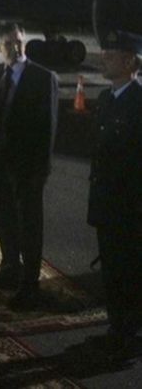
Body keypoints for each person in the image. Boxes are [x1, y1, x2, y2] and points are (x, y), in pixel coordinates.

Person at [0, 23, 58, 310]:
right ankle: (10, 269)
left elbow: (48, 128)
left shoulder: (42, 78)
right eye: (9, 44)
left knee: (29, 224)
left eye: (19, 42)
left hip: (27, 167)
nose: (17, 48)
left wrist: (42, 169)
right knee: (6, 218)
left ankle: (30, 284)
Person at [87, 29, 142, 359]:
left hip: (130, 207)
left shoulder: (139, 102)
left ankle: (129, 334)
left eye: (111, 54)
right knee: (112, 271)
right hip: (107, 202)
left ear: (130, 61)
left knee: (130, 271)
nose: (103, 58)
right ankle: (117, 326)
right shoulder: (107, 99)